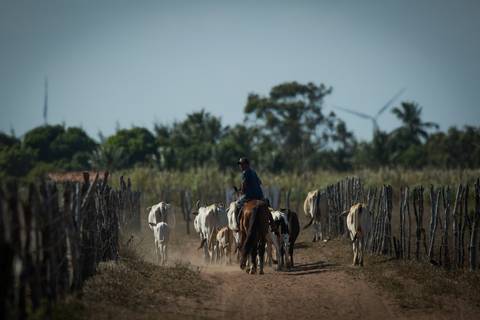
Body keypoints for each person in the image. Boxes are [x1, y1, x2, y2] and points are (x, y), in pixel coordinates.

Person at [235, 157, 264, 224]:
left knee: (237, 204)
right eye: (240, 164)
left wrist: (241, 191)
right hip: (260, 196)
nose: (240, 166)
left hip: (249, 196)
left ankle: (238, 222)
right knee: (266, 205)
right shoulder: (254, 172)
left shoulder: (245, 172)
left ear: (247, 164)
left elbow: (243, 185)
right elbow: (260, 182)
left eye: (242, 164)